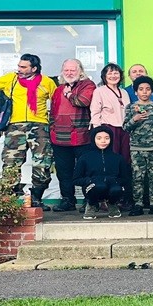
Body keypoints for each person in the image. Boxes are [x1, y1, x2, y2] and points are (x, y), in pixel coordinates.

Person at [0, 54, 57, 208]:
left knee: (43, 163)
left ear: (34, 68)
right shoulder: (11, 79)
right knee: (10, 164)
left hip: (39, 125)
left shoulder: (47, 82)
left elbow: (57, 102)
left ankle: (36, 198)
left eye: (23, 67)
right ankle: (11, 200)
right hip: (15, 126)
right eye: (19, 66)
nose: (19, 69)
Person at [49, 59, 96, 212]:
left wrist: (69, 94)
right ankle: (68, 200)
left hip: (81, 136)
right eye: (66, 70)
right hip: (59, 138)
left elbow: (83, 101)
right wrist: (52, 129)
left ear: (80, 71)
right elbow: (53, 112)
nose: (69, 73)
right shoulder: (58, 89)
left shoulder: (88, 85)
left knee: (86, 170)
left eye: (73, 70)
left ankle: (89, 201)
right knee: (63, 172)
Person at [122, 75, 153, 216]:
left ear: (152, 91)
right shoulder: (130, 108)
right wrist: (134, 119)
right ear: (135, 92)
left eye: (148, 89)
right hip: (136, 149)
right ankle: (138, 205)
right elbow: (125, 128)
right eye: (141, 89)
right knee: (137, 178)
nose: (144, 92)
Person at [73, 126, 128, 220]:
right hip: (93, 187)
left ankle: (112, 204)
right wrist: (89, 180)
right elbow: (76, 179)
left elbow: (125, 178)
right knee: (99, 186)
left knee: (117, 189)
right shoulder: (85, 157)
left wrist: (115, 181)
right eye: (99, 138)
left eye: (107, 138)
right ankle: (92, 205)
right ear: (93, 139)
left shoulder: (118, 158)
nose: (103, 141)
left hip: (112, 187)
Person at [90, 63, 132, 160]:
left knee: (125, 158)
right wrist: (99, 131)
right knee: (110, 157)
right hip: (108, 128)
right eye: (110, 74)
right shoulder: (99, 91)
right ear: (104, 76)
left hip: (124, 129)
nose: (113, 76)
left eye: (116, 73)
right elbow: (95, 111)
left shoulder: (124, 92)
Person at [125, 64, 153, 128]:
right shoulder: (124, 92)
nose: (138, 73)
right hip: (132, 134)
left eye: (141, 71)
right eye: (134, 72)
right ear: (129, 76)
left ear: (146, 74)